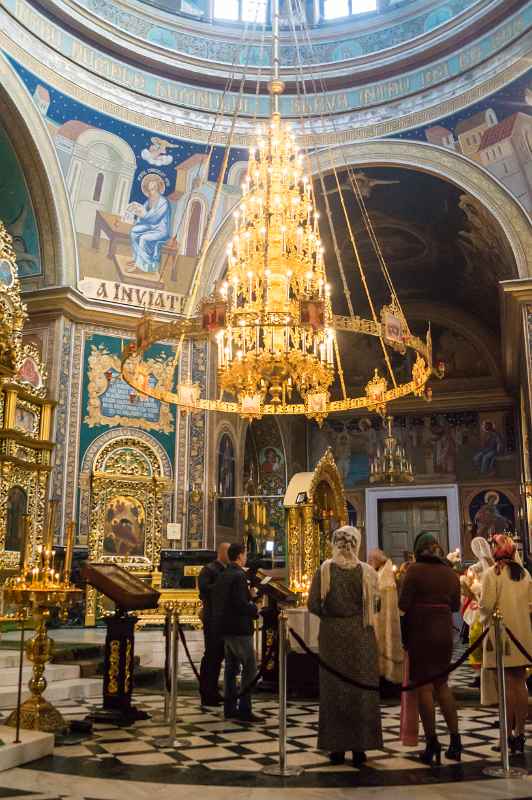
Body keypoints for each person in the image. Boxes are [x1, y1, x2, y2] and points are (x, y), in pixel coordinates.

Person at [308, 526, 383, 767]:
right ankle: (360, 748)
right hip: (361, 635)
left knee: (335, 689)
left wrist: (332, 615)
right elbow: (377, 605)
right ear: (356, 544)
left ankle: (336, 748)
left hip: (332, 636)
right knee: (361, 690)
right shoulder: (368, 571)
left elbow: (312, 604)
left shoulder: (325, 569)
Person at [399, 531, 461, 765]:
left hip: (421, 631)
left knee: (424, 688)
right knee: (442, 684)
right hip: (444, 631)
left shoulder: (414, 571)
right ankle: (456, 741)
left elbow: (403, 604)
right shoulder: (450, 572)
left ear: (418, 549)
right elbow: (455, 606)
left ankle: (432, 742)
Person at [480, 534, 532, 754]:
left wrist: (480, 610)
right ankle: (520, 734)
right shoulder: (525, 574)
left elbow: (486, 605)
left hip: (502, 635)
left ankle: (507, 737)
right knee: (520, 683)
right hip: (522, 634)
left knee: (506, 686)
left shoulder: (493, 574)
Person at [212, 543, 260, 722]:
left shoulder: (224, 573)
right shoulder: (239, 575)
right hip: (239, 629)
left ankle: (230, 708)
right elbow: (240, 604)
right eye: (245, 554)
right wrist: (254, 607)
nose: (246, 557)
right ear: (240, 556)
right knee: (250, 667)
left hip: (226, 628)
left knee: (231, 669)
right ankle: (245, 708)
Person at [198, 542, 230, 707]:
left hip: (223, 618)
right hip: (212, 618)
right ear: (221, 553)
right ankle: (207, 692)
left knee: (219, 656)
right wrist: (223, 585)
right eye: (228, 552)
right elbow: (204, 591)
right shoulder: (209, 570)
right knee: (211, 655)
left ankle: (214, 690)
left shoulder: (227, 570)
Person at [368, 548, 403, 684]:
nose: (369, 562)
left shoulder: (384, 576)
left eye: (371, 559)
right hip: (378, 616)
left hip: (382, 617)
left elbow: (377, 599)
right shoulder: (382, 573)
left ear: (377, 560)